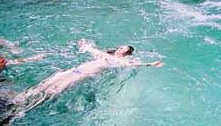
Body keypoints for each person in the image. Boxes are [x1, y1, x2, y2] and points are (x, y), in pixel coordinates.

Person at [14, 40, 162, 111]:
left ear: (127, 53)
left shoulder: (118, 61)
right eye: (123, 46)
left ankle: (27, 108)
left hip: (81, 76)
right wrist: (84, 44)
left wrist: (150, 64)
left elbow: (132, 65)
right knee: (46, 84)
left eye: (127, 49)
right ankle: (19, 99)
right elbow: (89, 49)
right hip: (73, 70)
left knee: (54, 91)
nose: (123, 48)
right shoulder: (104, 54)